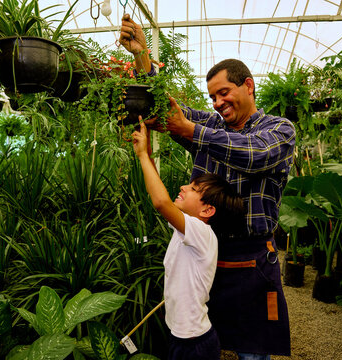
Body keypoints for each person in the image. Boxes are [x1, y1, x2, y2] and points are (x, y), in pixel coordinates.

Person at [120, 14, 295, 359]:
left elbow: (255, 155)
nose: (216, 103)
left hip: (251, 258)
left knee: (252, 350)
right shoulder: (211, 124)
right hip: (206, 254)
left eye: (223, 93)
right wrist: (141, 55)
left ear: (249, 85)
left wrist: (191, 131)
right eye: (212, 96)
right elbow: (168, 107)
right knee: (206, 339)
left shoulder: (279, 129)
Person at [132, 120, 245, 360]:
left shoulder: (200, 232)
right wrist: (147, 152)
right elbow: (158, 193)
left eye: (193, 189)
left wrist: (142, 155)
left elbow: (161, 202)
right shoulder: (187, 229)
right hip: (183, 337)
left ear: (207, 211)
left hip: (194, 344)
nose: (184, 187)